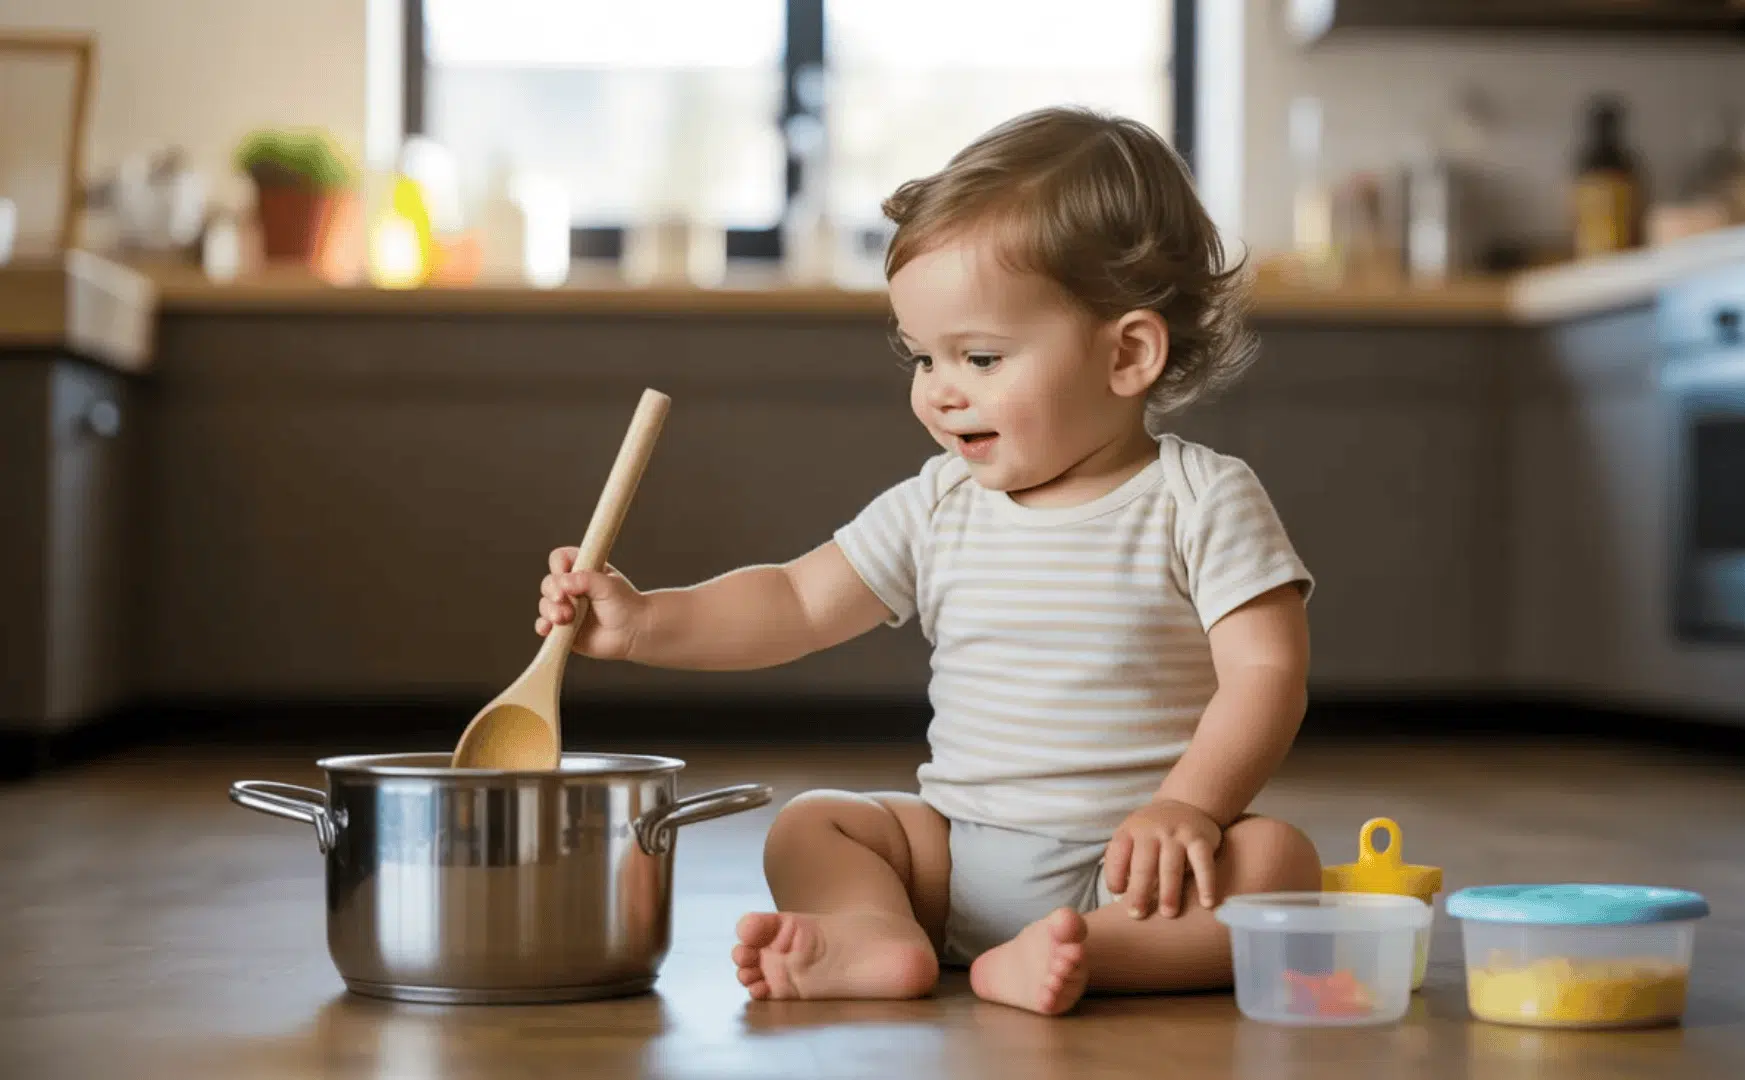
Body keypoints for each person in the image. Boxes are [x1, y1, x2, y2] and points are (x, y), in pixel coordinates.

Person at [534, 105, 1320, 1016]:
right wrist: (646, 623)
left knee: (1277, 862)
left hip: (1137, 873)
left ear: (1129, 353)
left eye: (979, 358)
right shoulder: (939, 504)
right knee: (811, 825)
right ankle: (878, 933)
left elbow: (1267, 675)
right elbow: (795, 601)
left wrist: (1188, 806)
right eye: (922, 359)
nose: (941, 393)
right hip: (958, 859)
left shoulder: (1201, 500)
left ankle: (1087, 953)